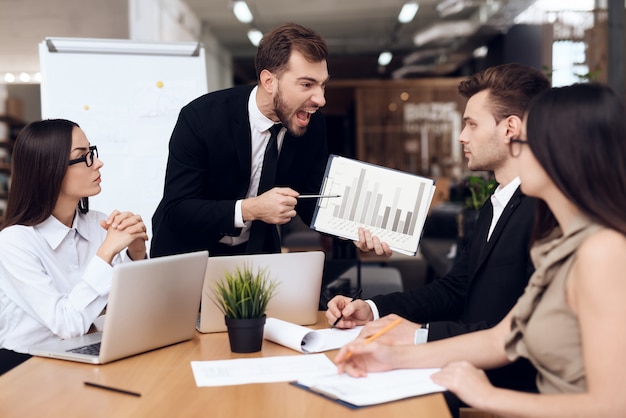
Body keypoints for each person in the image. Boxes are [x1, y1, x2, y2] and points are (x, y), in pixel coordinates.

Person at [335, 83, 626, 417]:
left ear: (564, 154)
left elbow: (613, 406)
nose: (516, 152)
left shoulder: (603, 252)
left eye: (524, 143)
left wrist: (487, 396)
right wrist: (391, 357)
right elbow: (499, 340)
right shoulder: (558, 246)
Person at [326, 63, 551, 394]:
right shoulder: (495, 203)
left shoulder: (543, 211)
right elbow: (455, 288)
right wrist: (372, 310)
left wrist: (420, 335)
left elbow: (520, 332)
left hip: (505, 389)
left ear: (510, 128)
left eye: (472, 124)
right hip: (463, 373)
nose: (462, 136)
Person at [150, 23, 330, 258]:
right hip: (187, 255)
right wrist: (251, 209)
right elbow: (178, 209)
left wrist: (356, 232)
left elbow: (312, 199)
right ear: (269, 82)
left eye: (323, 84)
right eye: (307, 84)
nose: (321, 99)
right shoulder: (201, 117)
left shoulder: (312, 123)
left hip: (257, 253)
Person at [0, 119, 148, 374]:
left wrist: (136, 253)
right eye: (84, 157)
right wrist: (107, 253)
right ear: (50, 169)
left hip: (81, 354)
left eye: (92, 152)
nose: (97, 163)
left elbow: (131, 313)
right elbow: (67, 324)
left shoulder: (97, 224)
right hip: (25, 366)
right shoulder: (14, 242)